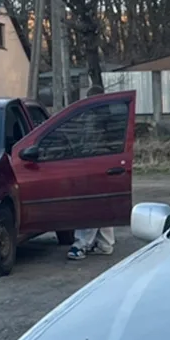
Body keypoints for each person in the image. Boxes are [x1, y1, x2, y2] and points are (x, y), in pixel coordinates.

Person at [67, 83, 117, 262]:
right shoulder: (111, 118)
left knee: (90, 207)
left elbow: (88, 145)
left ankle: (82, 243)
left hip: (92, 167)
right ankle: (105, 243)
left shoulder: (92, 119)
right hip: (107, 165)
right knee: (104, 205)